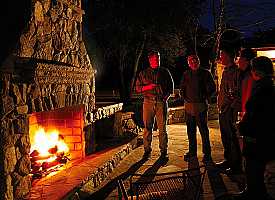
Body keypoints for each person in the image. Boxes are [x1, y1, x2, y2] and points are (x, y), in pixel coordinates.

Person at [235, 56, 275, 200]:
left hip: (257, 141)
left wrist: (242, 127)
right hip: (267, 139)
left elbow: (256, 117)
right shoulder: (270, 87)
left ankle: (254, 194)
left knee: (254, 173)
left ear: (256, 71)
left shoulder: (261, 90)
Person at [135, 50, 174, 159]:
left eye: (158, 58)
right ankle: (147, 150)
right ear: (150, 60)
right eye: (155, 58)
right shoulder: (143, 73)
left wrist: (165, 98)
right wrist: (149, 87)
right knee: (147, 127)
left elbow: (171, 87)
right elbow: (137, 88)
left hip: (161, 102)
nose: (157, 60)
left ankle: (163, 151)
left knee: (162, 128)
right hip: (148, 102)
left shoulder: (165, 72)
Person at [179, 55, 216, 163]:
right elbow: (182, 88)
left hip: (201, 106)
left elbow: (212, 88)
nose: (194, 62)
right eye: (191, 61)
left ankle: (207, 153)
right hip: (189, 106)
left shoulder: (205, 73)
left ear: (198, 61)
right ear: (188, 63)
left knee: (204, 131)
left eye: (196, 60)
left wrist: (205, 96)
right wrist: (184, 98)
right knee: (190, 131)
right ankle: (192, 151)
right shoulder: (186, 74)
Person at [216, 47, 243, 174]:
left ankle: (236, 166)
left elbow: (238, 93)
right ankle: (228, 160)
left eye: (222, 54)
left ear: (228, 56)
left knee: (233, 139)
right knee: (225, 137)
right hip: (223, 110)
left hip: (229, 110)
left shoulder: (236, 72)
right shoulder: (226, 71)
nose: (220, 57)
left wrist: (231, 108)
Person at [237, 48, 256, 117]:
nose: (238, 61)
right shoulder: (244, 75)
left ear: (246, 60)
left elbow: (247, 98)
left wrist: (245, 114)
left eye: (240, 58)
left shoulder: (250, 77)